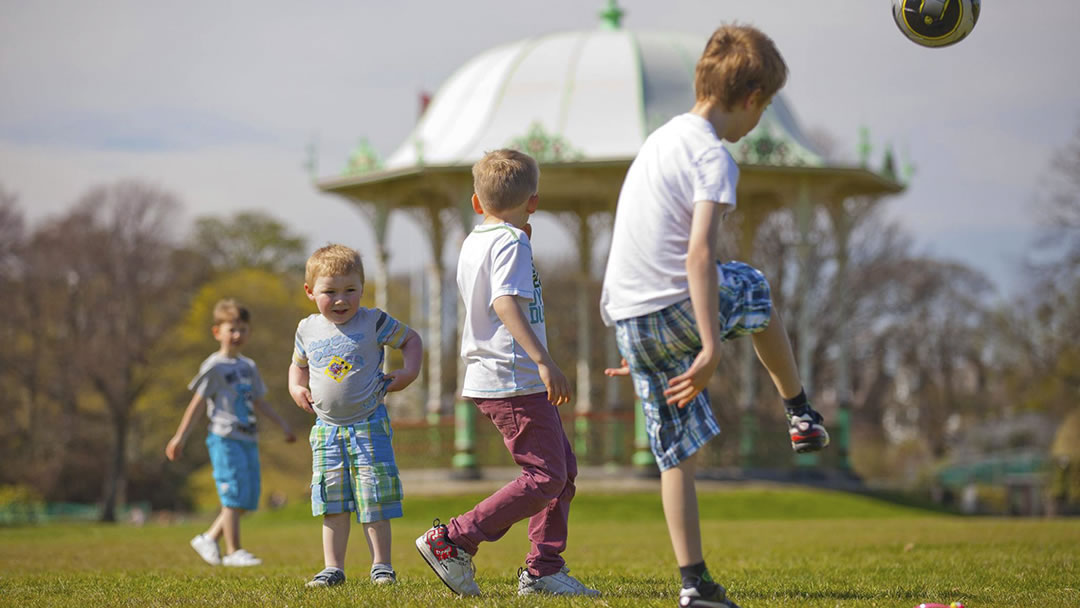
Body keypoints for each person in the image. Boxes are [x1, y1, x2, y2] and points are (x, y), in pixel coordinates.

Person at [599, 24, 830, 608]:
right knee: (752, 284)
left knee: (675, 454)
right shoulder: (713, 158)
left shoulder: (660, 140)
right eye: (766, 105)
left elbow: (633, 239)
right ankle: (800, 410)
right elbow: (700, 253)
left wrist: (639, 344)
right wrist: (708, 344)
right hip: (673, 306)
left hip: (630, 317)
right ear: (753, 100)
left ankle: (693, 582)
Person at [415, 149, 598, 597]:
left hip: (498, 374)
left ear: (476, 203)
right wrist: (544, 360)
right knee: (544, 476)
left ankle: (543, 570)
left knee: (561, 472)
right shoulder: (511, 242)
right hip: (513, 375)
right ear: (533, 201)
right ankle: (453, 540)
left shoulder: (475, 239)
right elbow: (504, 303)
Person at [288, 244, 422, 588]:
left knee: (374, 497)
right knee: (331, 500)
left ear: (362, 289)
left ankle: (382, 565)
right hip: (326, 431)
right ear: (310, 292)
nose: (340, 300)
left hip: (368, 425)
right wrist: (295, 388)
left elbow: (411, 340)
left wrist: (408, 373)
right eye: (329, 292)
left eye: (350, 290)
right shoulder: (307, 329)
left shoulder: (373, 321)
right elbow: (298, 365)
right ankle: (333, 567)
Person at [166, 298, 296, 567]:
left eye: (243, 329)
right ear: (217, 332)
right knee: (233, 493)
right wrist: (180, 436)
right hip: (224, 438)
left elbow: (259, 401)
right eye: (231, 329)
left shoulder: (248, 366)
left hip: (248, 438)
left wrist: (282, 424)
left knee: (247, 498)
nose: (237, 335)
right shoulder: (214, 367)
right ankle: (233, 550)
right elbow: (198, 403)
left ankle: (209, 537)